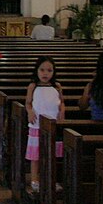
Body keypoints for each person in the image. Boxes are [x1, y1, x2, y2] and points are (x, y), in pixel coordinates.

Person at [25, 57, 65, 192]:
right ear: (36, 71)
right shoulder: (33, 86)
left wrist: (62, 111)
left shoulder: (57, 86)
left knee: (52, 155)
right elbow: (28, 103)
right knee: (35, 155)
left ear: (54, 72)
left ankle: (51, 179)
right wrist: (29, 112)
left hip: (53, 123)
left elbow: (62, 102)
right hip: (37, 124)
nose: (45, 73)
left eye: (49, 70)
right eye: (42, 70)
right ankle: (35, 180)